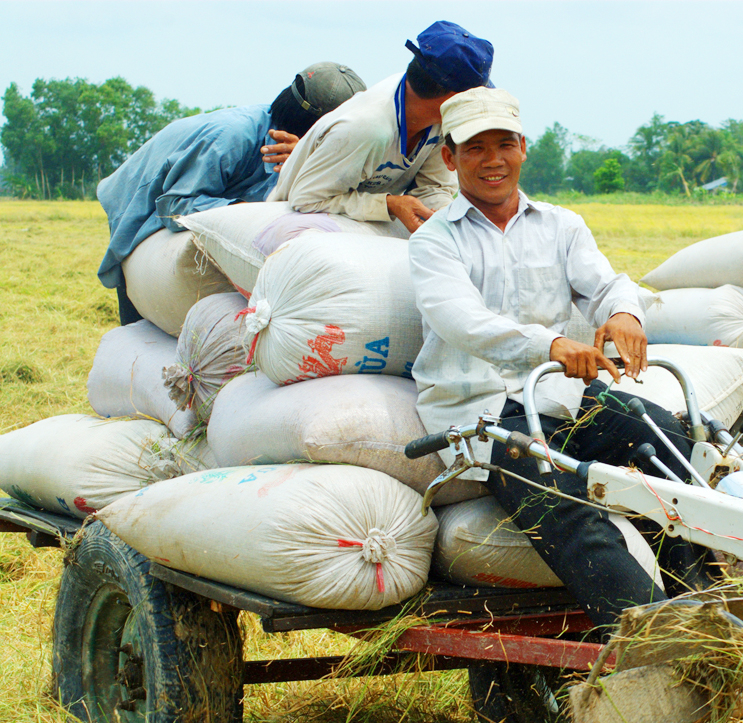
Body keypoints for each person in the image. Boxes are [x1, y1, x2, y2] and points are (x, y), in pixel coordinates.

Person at [408, 88, 711, 631]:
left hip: (559, 393)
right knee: (560, 500)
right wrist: (549, 345)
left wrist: (624, 313)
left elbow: (607, 284)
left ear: (524, 148)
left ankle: (707, 603)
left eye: (505, 144)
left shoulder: (561, 225)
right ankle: (652, 633)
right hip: (480, 409)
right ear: (450, 158)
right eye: (475, 148)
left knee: (666, 440)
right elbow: (459, 319)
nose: (493, 160)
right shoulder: (435, 241)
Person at [97, 62, 365, 324]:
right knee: (141, 307)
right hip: (139, 196)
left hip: (194, 189)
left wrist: (306, 160)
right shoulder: (232, 136)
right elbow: (176, 204)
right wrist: (247, 214)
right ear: (314, 128)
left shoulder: (299, 150)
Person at [270, 20, 493, 234]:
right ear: (452, 97)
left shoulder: (441, 120)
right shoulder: (368, 127)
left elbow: (432, 188)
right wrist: (389, 204)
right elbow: (306, 199)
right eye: (473, 96)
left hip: (354, 223)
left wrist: (452, 220)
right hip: (294, 220)